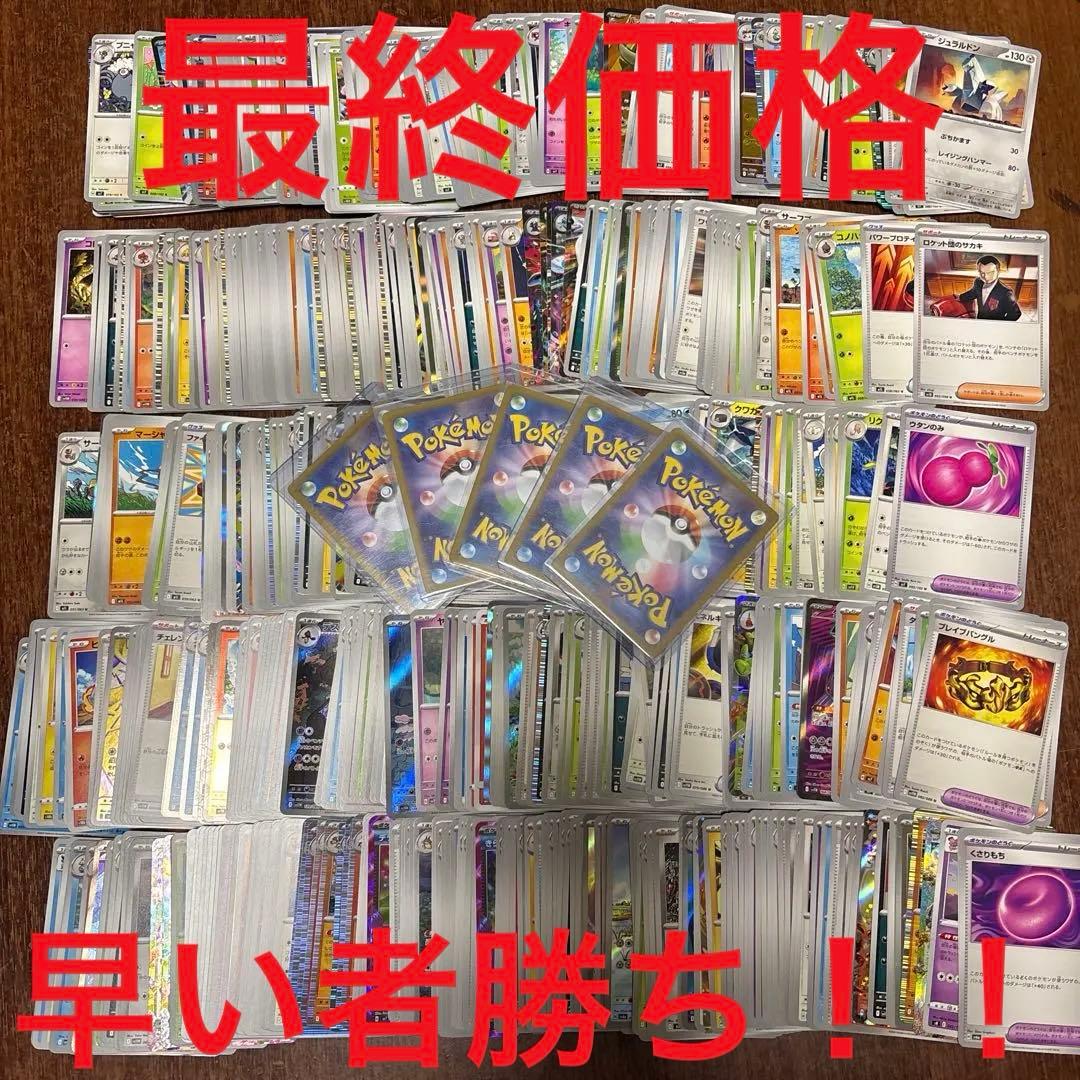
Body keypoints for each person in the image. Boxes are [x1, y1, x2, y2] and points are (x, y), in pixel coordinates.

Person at [957, 255, 1022, 320]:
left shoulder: (1006, 292)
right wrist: (961, 297)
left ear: (998, 271)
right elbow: (973, 292)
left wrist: (1000, 324)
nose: (986, 277)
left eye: (990, 273)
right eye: (982, 273)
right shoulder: (978, 282)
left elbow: (1015, 314)